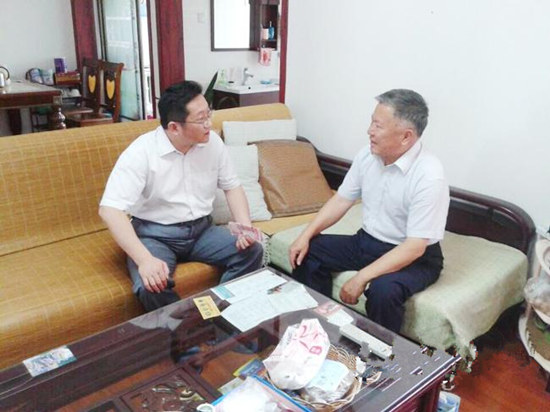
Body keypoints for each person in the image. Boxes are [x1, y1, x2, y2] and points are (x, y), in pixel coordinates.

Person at [289, 89, 449, 333]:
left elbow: (415, 247)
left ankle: (380, 353)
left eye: (378, 125)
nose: (369, 131)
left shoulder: (429, 175)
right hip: (367, 241)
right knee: (308, 252)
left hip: (414, 258)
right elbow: (341, 200)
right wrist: (305, 235)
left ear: (406, 136)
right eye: (372, 122)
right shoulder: (367, 155)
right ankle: (316, 329)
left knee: (383, 291)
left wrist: (361, 277)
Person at [99, 80, 263, 312]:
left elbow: (232, 186)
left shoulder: (213, 143)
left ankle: (220, 315)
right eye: (201, 119)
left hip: (202, 231)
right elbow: (110, 210)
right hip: (155, 235)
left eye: (209, 114)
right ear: (174, 127)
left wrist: (245, 228)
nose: (209, 124)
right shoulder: (141, 152)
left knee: (252, 252)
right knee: (150, 286)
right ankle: (189, 330)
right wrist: (145, 260)